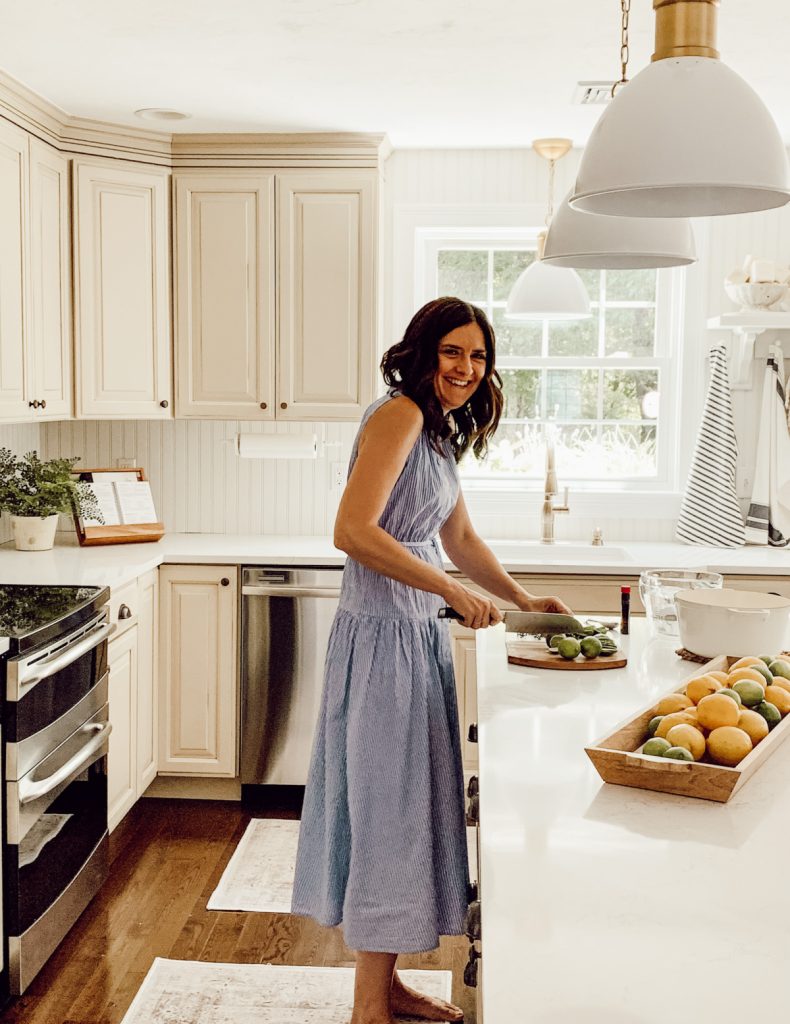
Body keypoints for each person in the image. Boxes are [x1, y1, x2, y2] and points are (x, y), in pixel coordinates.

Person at [291, 296, 572, 1024]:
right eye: (453, 352)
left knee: (405, 814)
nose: (467, 368)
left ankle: (385, 989)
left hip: (413, 636)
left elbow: (462, 538)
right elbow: (352, 531)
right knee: (387, 815)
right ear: (422, 351)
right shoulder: (399, 416)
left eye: (478, 357)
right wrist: (449, 591)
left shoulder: (438, 433)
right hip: (384, 641)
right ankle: (367, 1009)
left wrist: (522, 599)